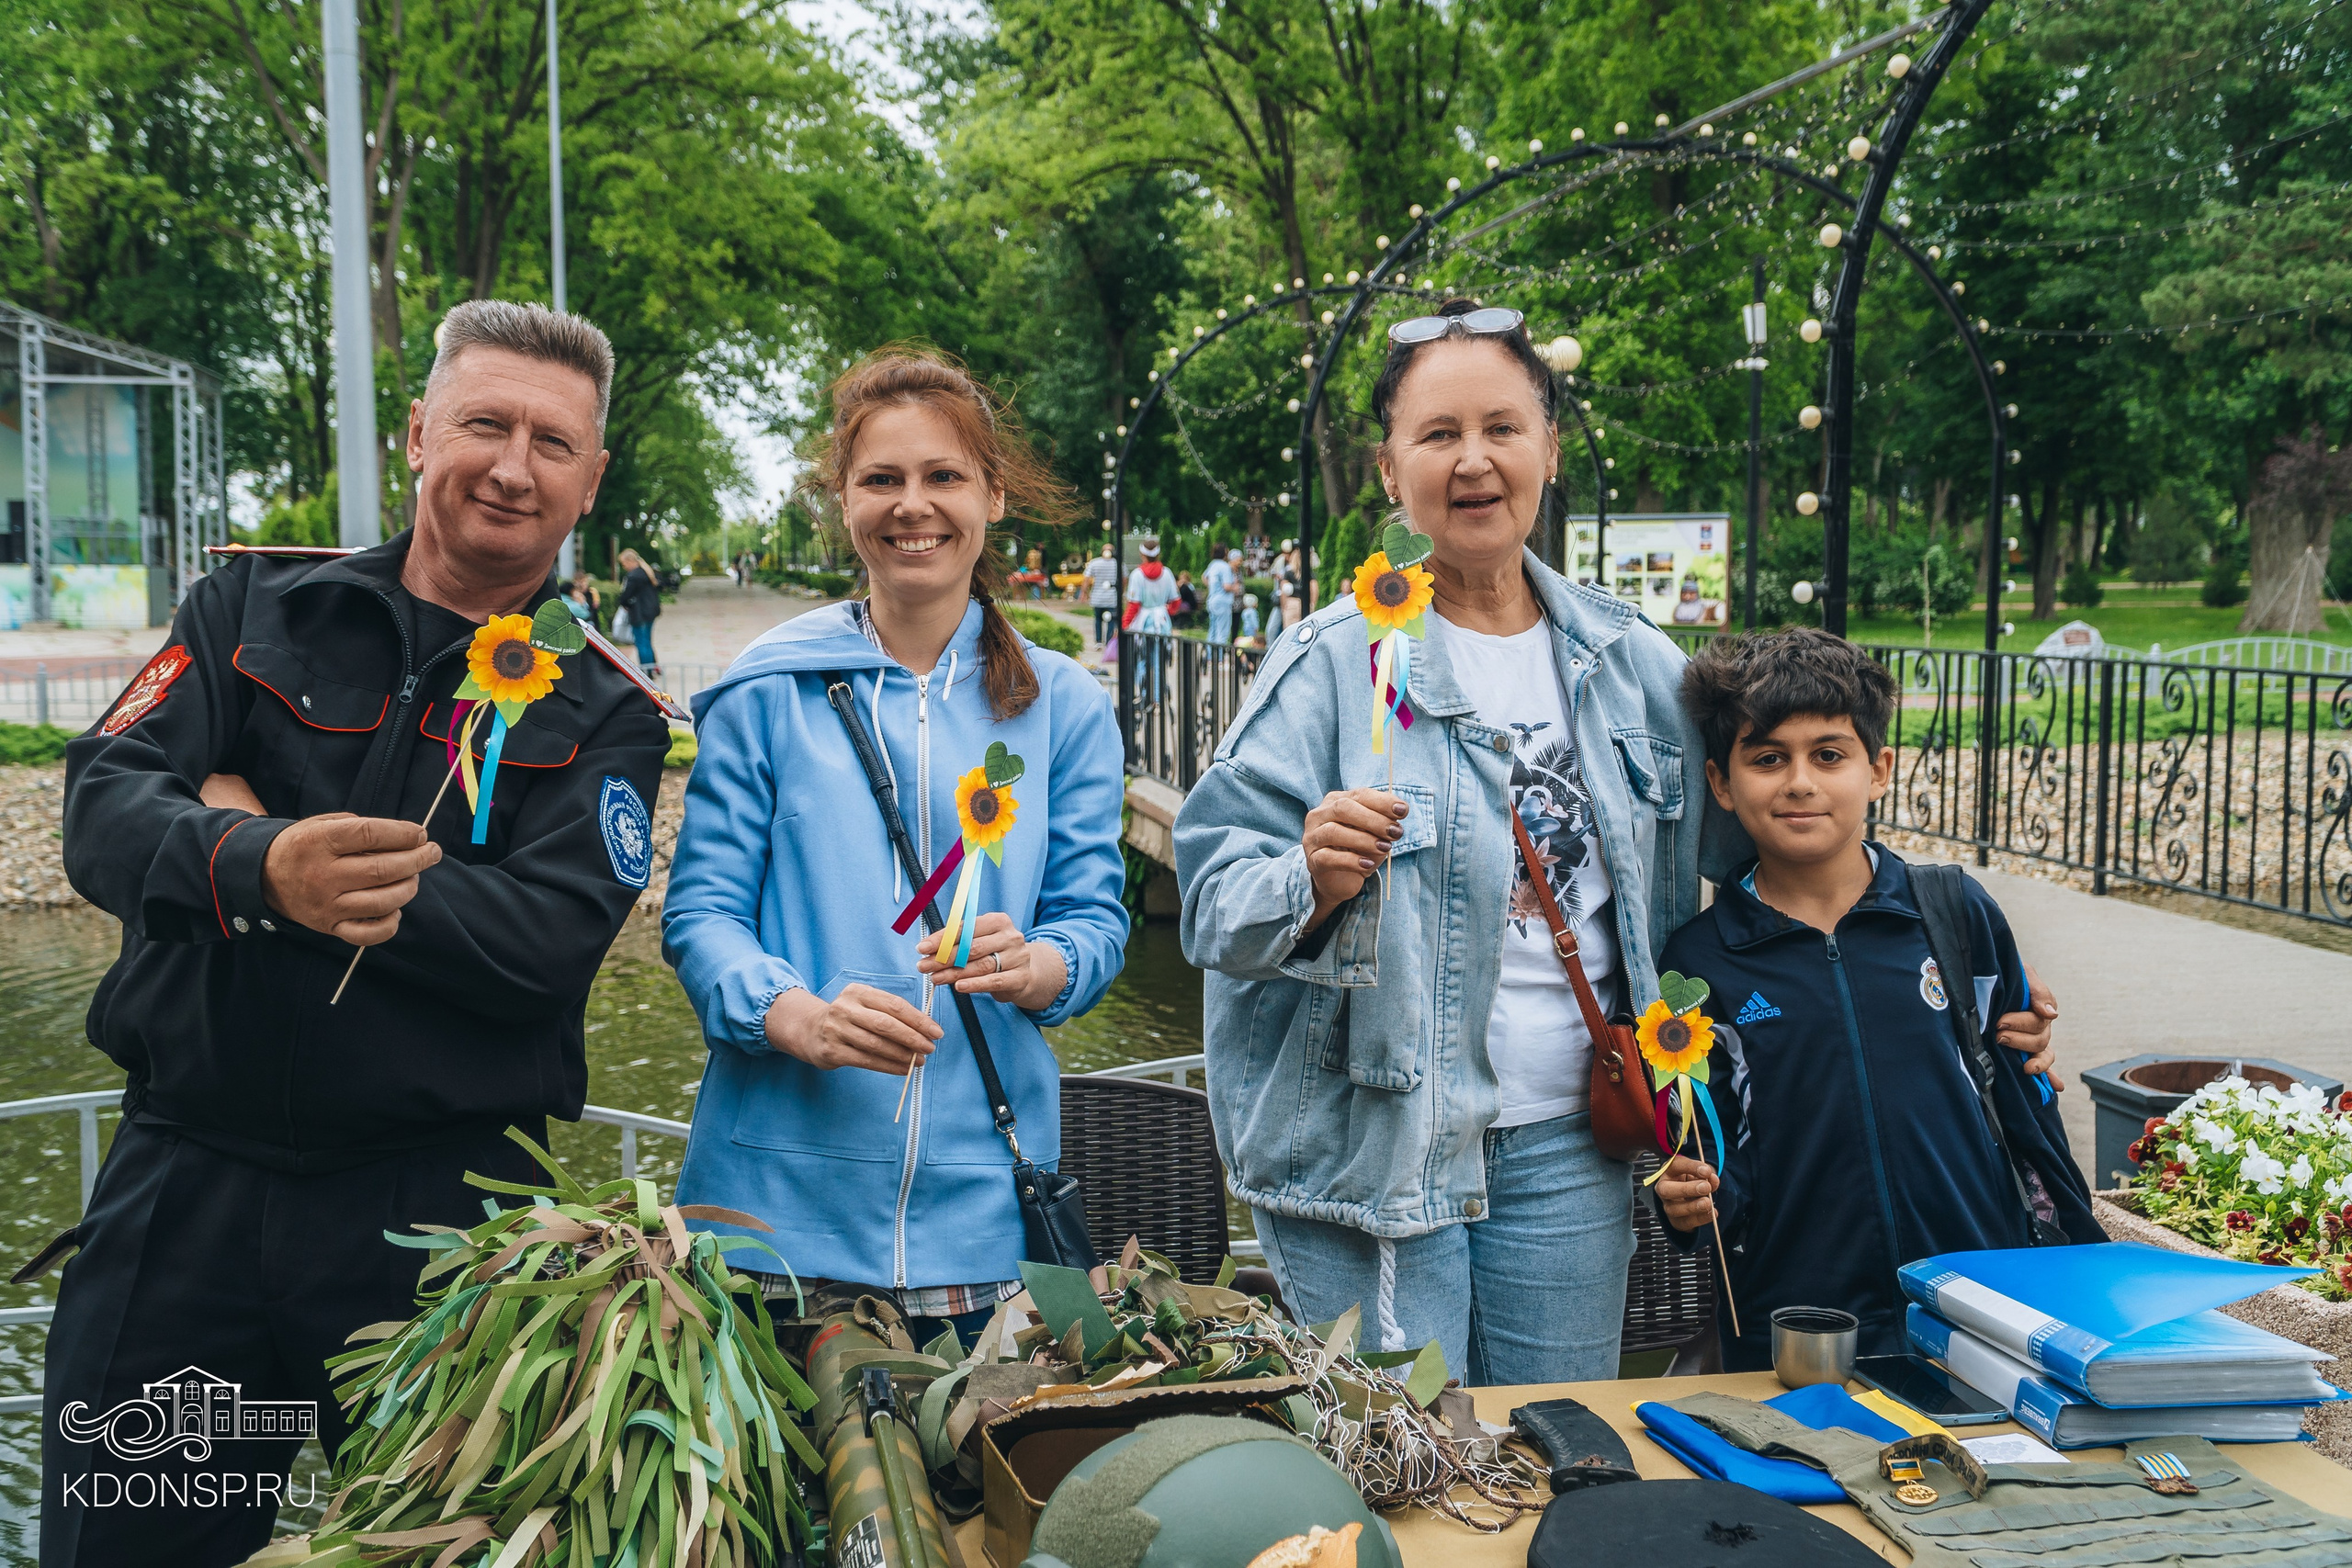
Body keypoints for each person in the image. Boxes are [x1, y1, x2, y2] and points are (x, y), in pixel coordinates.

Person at [1173, 298, 2064, 1386]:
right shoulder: (1325, 664)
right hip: (1378, 1149)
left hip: (1572, 1139)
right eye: (1438, 435)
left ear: (1547, 446)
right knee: (1407, 1464)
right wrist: (1304, 878)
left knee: (1562, 1440)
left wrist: (1955, 988)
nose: (1473, 462)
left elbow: (1767, 873)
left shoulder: (1629, 658)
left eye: (1502, 428)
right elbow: (1212, 902)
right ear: (1388, 467)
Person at [43, 299, 675, 1567]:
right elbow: (104, 807)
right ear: (418, 434)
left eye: (552, 441)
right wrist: (264, 864)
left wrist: (270, 830)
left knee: (435, 1554)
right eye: (483, 423)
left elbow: (542, 943)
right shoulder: (247, 608)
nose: (512, 464)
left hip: (445, 1225)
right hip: (185, 1199)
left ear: (591, 479)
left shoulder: (610, 706)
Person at [662, 348, 1128, 1348]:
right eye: (881, 479)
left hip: (991, 1229)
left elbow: (1096, 921)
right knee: (793, 1507)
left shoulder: (1065, 707)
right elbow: (700, 917)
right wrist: (789, 1014)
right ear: (843, 501)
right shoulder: (765, 694)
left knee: (975, 1503)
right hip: (771, 1228)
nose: (912, 505)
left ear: (992, 497)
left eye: (943, 477)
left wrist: (1041, 964)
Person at [1651, 628, 2097, 1369]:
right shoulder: (1695, 965)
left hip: (1980, 1310)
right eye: (1768, 757)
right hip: (1795, 1329)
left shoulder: (1956, 911)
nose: (1799, 781)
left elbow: (2024, 1094)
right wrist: (1688, 1205)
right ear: (1722, 783)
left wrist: (2071, 1260)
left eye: (1829, 754)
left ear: (1879, 768)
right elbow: (1706, 1148)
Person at [616, 546, 662, 675]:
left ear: (630, 561)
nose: (624, 566)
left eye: (624, 563)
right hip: (651, 611)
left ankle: (646, 672)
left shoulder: (633, 576)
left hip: (639, 612)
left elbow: (625, 596)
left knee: (641, 643)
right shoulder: (647, 572)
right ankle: (653, 667)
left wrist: (623, 603)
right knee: (647, 641)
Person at [1085, 540, 1120, 646]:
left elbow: (1086, 579)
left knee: (1098, 619)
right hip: (1112, 597)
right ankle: (1109, 641)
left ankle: (1098, 641)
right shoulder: (1118, 563)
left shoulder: (1094, 563)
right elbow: (1124, 578)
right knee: (1111, 620)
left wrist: (1084, 592)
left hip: (1097, 597)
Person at [1204, 545, 1239, 645]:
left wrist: (1212, 586)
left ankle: (1210, 656)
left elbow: (1204, 577)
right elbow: (1226, 586)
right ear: (1224, 553)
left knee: (1213, 631)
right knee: (1222, 632)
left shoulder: (1213, 564)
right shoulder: (1225, 567)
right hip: (1223, 601)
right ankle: (1219, 657)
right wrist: (1235, 587)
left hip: (1212, 600)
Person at [564, 566, 603, 631]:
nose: (581, 585)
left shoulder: (591, 592)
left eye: (583, 582)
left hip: (591, 619)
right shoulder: (573, 592)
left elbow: (595, 607)